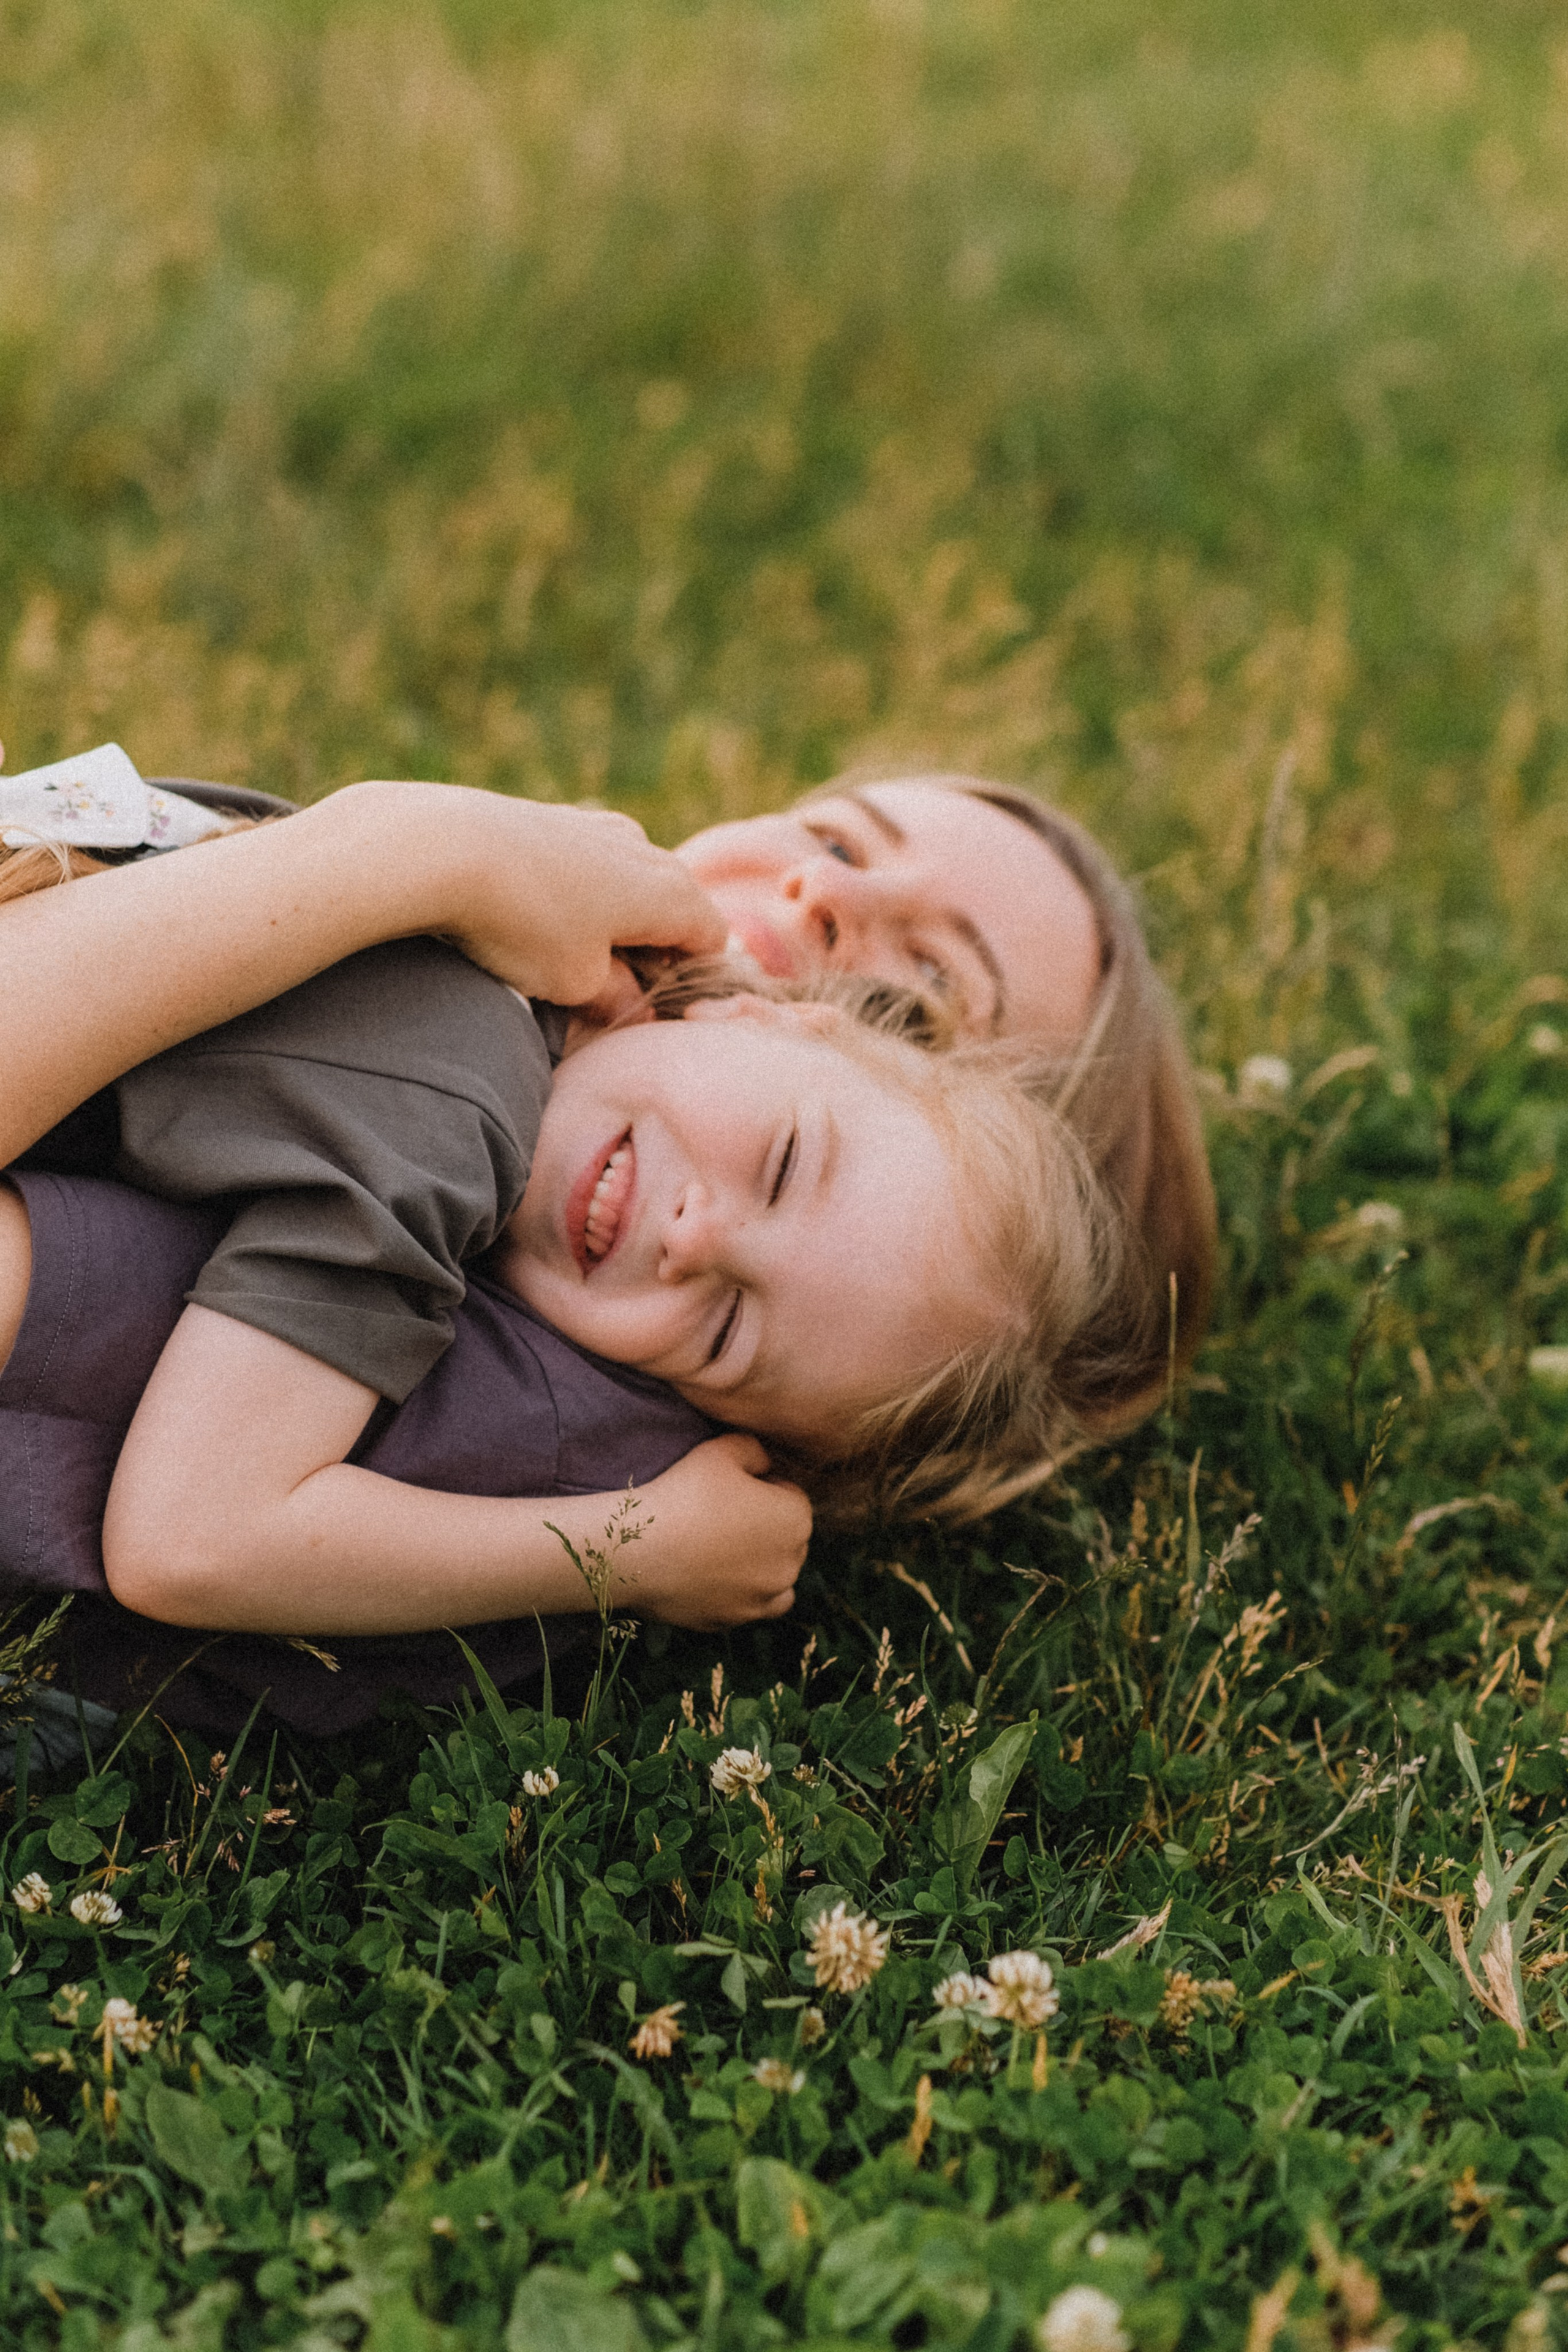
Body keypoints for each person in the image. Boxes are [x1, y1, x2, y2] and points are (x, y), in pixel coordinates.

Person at [0, 965, 1115, 1738]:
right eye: (782, 1165)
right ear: (772, 1016)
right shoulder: (457, 1106)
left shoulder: (505, 981)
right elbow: (187, 1540)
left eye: (726, 1328)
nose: (694, 1238)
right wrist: (637, 1551)